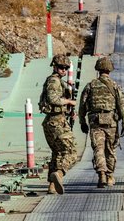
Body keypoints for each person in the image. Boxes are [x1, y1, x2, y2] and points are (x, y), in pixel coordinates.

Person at [78, 56, 124, 188]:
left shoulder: (90, 85)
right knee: (110, 150)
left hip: (95, 122)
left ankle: (101, 173)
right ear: (110, 70)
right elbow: (122, 106)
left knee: (98, 149)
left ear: (98, 69)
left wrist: (82, 122)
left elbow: (82, 106)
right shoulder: (115, 86)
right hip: (111, 121)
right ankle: (110, 176)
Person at [39, 54, 78, 195]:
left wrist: (68, 110)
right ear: (54, 66)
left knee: (57, 153)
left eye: (66, 68)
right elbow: (53, 99)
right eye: (61, 67)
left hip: (53, 120)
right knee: (72, 152)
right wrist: (69, 102)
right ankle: (59, 174)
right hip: (56, 122)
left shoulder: (55, 81)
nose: (64, 70)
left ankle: (52, 186)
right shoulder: (54, 81)